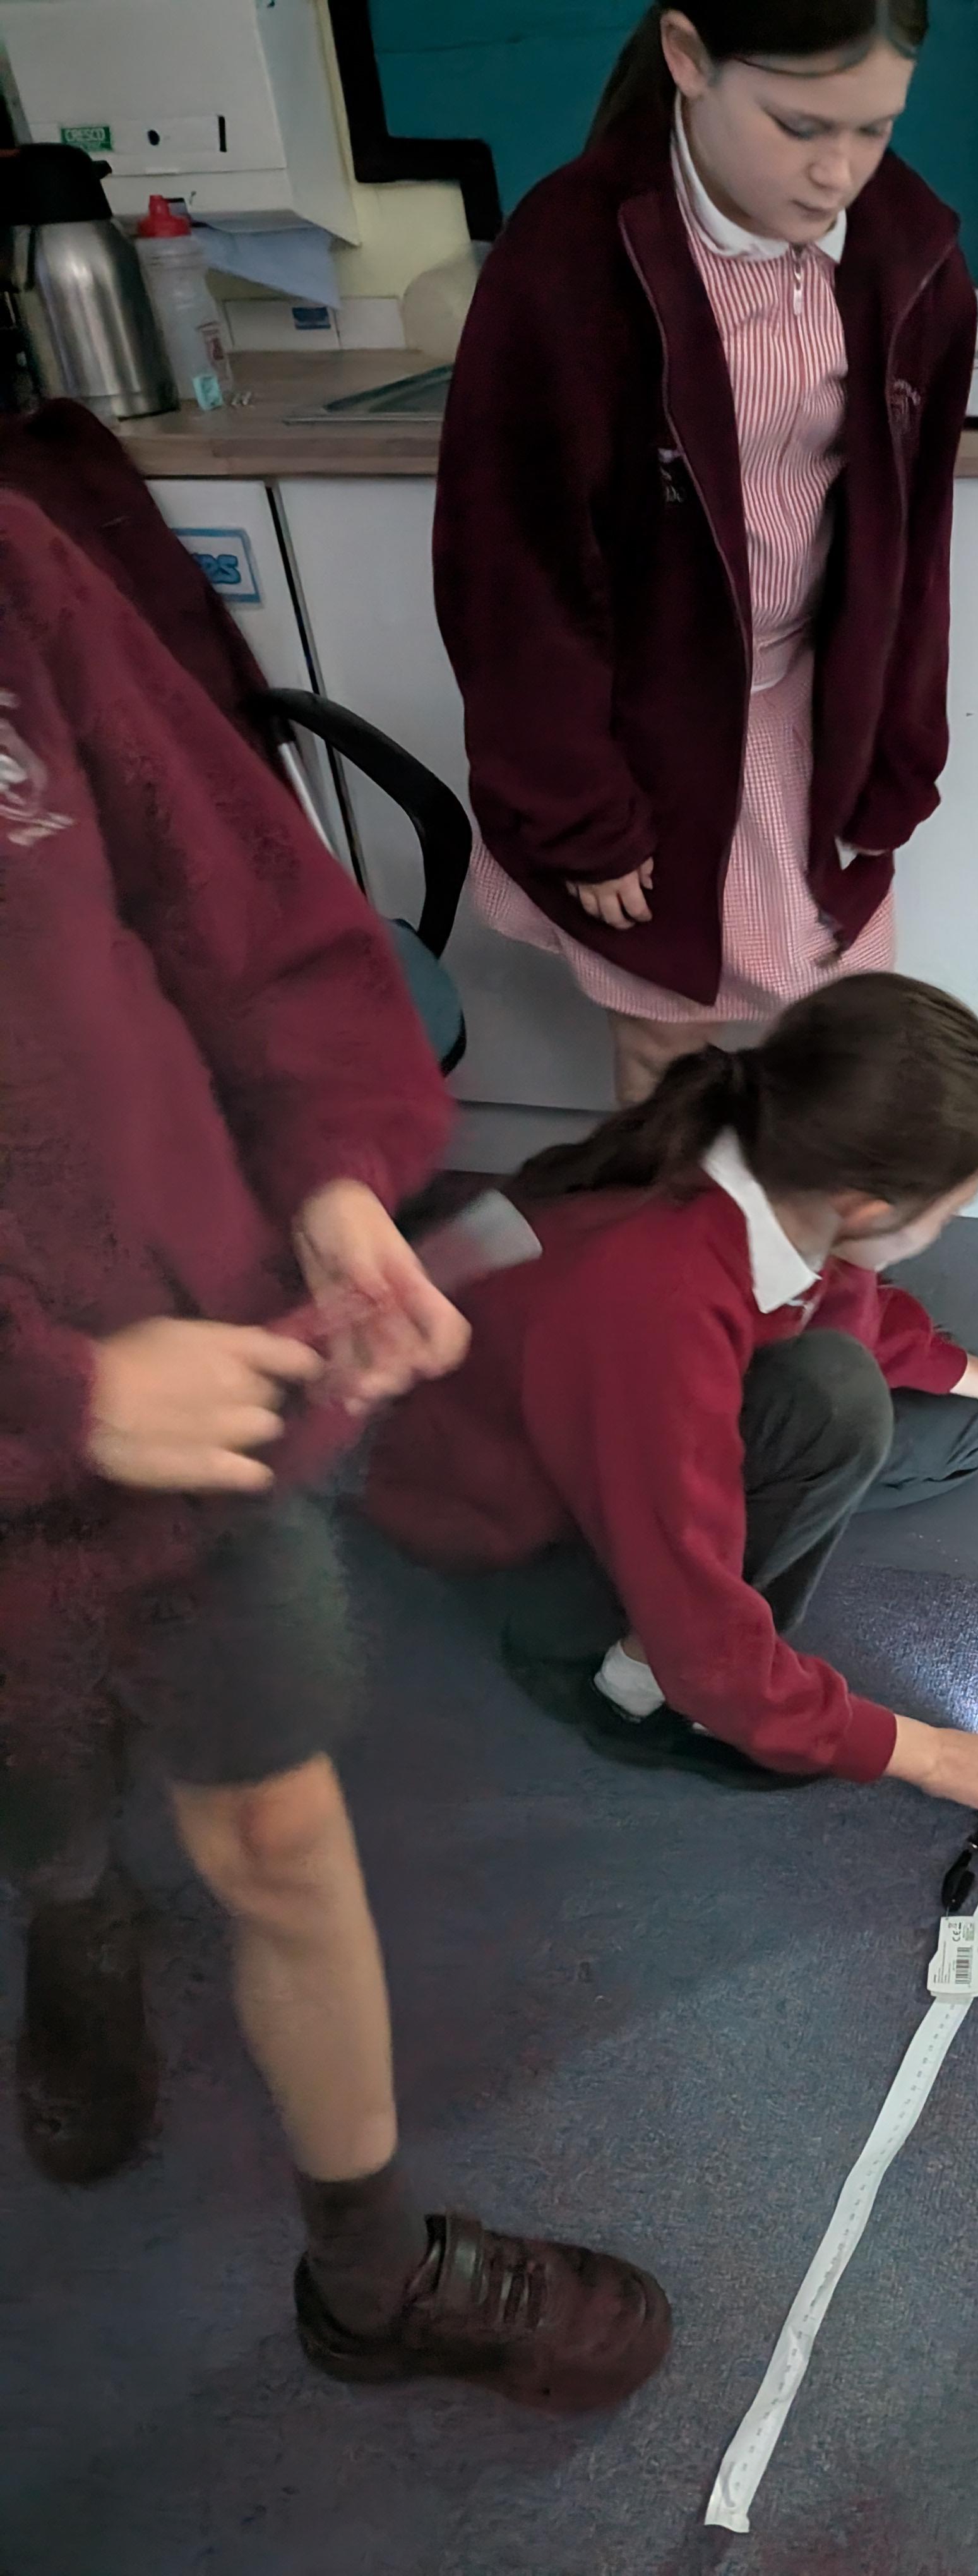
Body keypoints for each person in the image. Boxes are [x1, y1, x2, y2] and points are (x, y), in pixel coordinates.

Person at [0, 492, 670, 2410]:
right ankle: (75, 1914)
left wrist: (332, 1176)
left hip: (210, 1380)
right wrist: (50, 1395)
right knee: (35, 1780)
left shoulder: (14, 568)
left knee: (281, 1830)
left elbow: (230, 903)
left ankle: (371, 2281)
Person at [362, 975, 978, 1813]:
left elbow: (834, 1298)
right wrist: (928, 1754)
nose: (957, 1221)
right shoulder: (656, 1300)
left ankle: (740, 1544)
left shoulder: (772, 1161)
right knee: (839, 1409)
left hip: (607, 1409)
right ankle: (620, 1689)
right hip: (506, 1536)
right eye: (954, 1207)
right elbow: (699, 1630)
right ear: (864, 1205)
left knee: (949, 1436)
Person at [435, 0, 978, 1106]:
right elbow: (514, 575)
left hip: (816, 714)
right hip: (651, 735)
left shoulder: (909, 250)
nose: (839, 174)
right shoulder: (571, 257)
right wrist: (579, 814)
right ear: (688, 58)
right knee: (661, 1045)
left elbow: (917, 546)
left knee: (845, 1037)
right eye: (798, 126)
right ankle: (666, 1222)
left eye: (874, 128)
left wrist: (901, 752)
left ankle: (811, 1230)